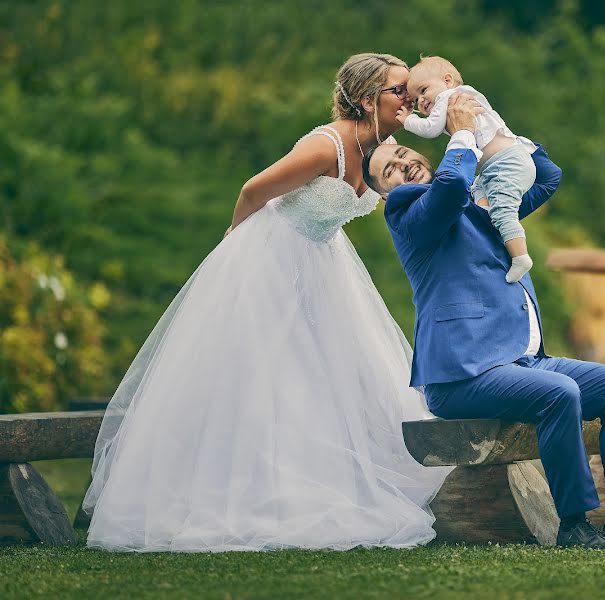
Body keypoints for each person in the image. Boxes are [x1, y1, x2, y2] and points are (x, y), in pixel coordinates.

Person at [82, 53, 452, 553]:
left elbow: (412, 180)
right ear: (368, 100)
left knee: (333, 376)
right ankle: (255, 495)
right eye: (399, 90)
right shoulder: (326, 146)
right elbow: (254, 190)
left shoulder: (383, 145)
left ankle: (329, 480)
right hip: (273, 256)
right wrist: (236, 248)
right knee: (270, 377)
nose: (409, 98)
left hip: (324, 262)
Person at [364, 93, 605, 550]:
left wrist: (495, 128)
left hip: (523, 361)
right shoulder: (408, 212)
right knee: (560, 394)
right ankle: (573, 524)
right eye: (388, 170)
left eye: (403, 152)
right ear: (384, 192)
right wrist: (464, 134)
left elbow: (547, 178)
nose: (403, 164)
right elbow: (449, 189)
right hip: (461, 376)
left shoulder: (481, 202)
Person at [396, 56, 536, 283]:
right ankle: (495, 239)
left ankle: (520, 257)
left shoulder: (450, 97)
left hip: (506, 164)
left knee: (503, 210)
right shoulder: (460, 97)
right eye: (415, 99)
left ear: (448, 80)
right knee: (480, 201)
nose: (421, 101)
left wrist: (407, 120)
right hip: (494, 169)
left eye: (423, 90)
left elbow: (430, 129)